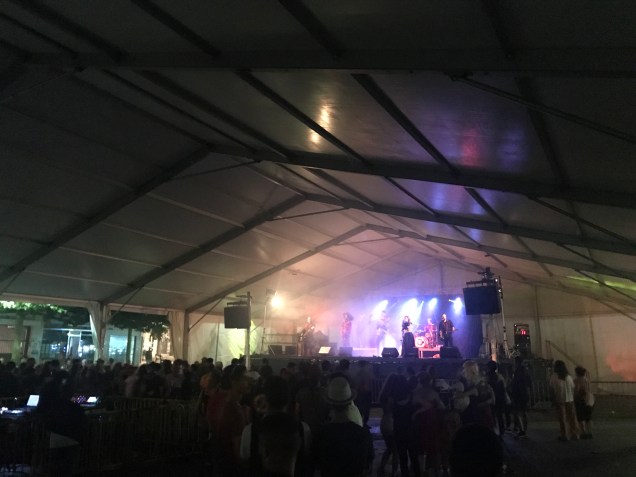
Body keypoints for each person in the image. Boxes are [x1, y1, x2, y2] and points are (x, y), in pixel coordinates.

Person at [313, 376, 374, 477]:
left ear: (330, 404)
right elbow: (368, 466)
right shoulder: (363, 434)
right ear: (350, 403)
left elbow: (316, 464)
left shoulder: (321, 435)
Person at [549, 360, 580, 441]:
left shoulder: (554, 377)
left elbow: (551, 389)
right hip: (569, 399)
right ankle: (575, 434)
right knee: (572, 417)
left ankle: (565, 435)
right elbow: (573, 387)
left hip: (559, 399)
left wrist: (553, 399)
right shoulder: (568, 377)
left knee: (562, 418)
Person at [510, 356, 531, 438]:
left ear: (517, 363)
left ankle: (521, 430)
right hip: (525, 394)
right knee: (524, 412)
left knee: (518, 412)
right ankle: (525, 429)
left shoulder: (517, 372)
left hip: (518, 394)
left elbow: (515, 384)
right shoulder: (526, 371)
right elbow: (529, 383)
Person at [574, 366, 594, 439]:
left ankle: (583, 432)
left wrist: (574, 397)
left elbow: (577, 390)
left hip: (581, 400)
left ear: (577, 373)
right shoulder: (587, 380)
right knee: (588, 418)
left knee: (581, 418)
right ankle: (590, 432)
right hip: (590, 400)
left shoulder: (577, 380)